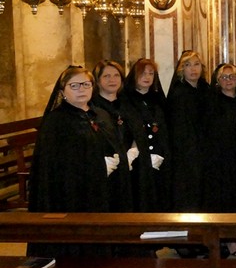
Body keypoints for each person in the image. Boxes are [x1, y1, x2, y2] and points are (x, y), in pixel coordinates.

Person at [28, 65, 124, 257]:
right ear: (63, 91)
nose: (82, 89)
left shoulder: (100, 115)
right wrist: (98, 166)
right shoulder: (56, 122)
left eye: (86, 84)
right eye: (75, 86)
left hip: (103, 194)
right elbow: (56, 165)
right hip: (71, 197)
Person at [205, 63, 236, 256]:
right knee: (224, 200)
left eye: (232, 77)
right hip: (220, 159)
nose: (229, 80)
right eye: (224, 77)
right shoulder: (213, 102)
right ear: (217, 81)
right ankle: (228, 240)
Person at [91, 60, 138, 213]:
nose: (112, 80)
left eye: (116, 75)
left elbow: (138, 133)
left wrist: (133, 152)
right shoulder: (93, 107)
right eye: (107, 76)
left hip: (130, 168)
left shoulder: (127, 105)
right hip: (106, 169)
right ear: (97, 81)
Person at [123, 58, 169, 212]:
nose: (147, 77)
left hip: (158, 158)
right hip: (137, 160)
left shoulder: (158, 100)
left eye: (151, 73)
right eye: (143, 73)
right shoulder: (125, 99)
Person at [167, 50, 209, 212]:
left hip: (205, 150)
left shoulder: (206, 89)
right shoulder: (178, 94)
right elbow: (178, 127)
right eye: (188, 65)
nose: (193, 69)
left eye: (196, 64)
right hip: (185, 153)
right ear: (181, 70)